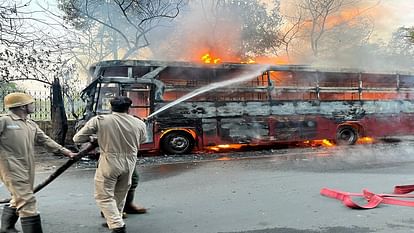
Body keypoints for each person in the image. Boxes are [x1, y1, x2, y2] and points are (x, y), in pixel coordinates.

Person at [0, 92, 78, 233]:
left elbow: (45, 140)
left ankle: (6, 228)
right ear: (23, 106)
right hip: (9, 166)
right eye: (31, 103)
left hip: (28, 164)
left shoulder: (31, 124)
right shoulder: (5, 121)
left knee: (20, 196)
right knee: (27, 200)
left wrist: (66, 152)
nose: (33, 105)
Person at [73, 96, 147, 233]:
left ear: (111, 107)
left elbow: (77, 138)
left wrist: (93, 138)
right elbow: (142, 139)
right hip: (130, 162)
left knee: (104, 195)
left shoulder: (100, 120)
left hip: (110, 160)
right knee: (120, 193)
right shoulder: (139, 123)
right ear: (128, 108)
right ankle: (114, 218)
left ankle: (117, 225)